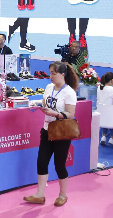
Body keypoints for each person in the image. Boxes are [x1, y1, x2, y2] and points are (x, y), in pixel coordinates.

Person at [23, 61, 79, 207]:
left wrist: (55, 113)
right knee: (41, 162)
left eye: (54, 74)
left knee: (59, 165)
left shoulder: (69, 92)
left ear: (62, 75)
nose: (51, 77)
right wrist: (37, 105)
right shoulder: (49, 87)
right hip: (47, 130)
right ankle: (40, 194)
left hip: (61, 133)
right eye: (50, 73)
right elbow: (45, 103)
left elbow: (70, 114)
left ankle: (63, 194)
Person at [97, 71, 113, 148]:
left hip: (101, 118)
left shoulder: (99, 88)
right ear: (112, 80)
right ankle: (112, 138)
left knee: (106, 115)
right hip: (111, 119)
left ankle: (103, 136)